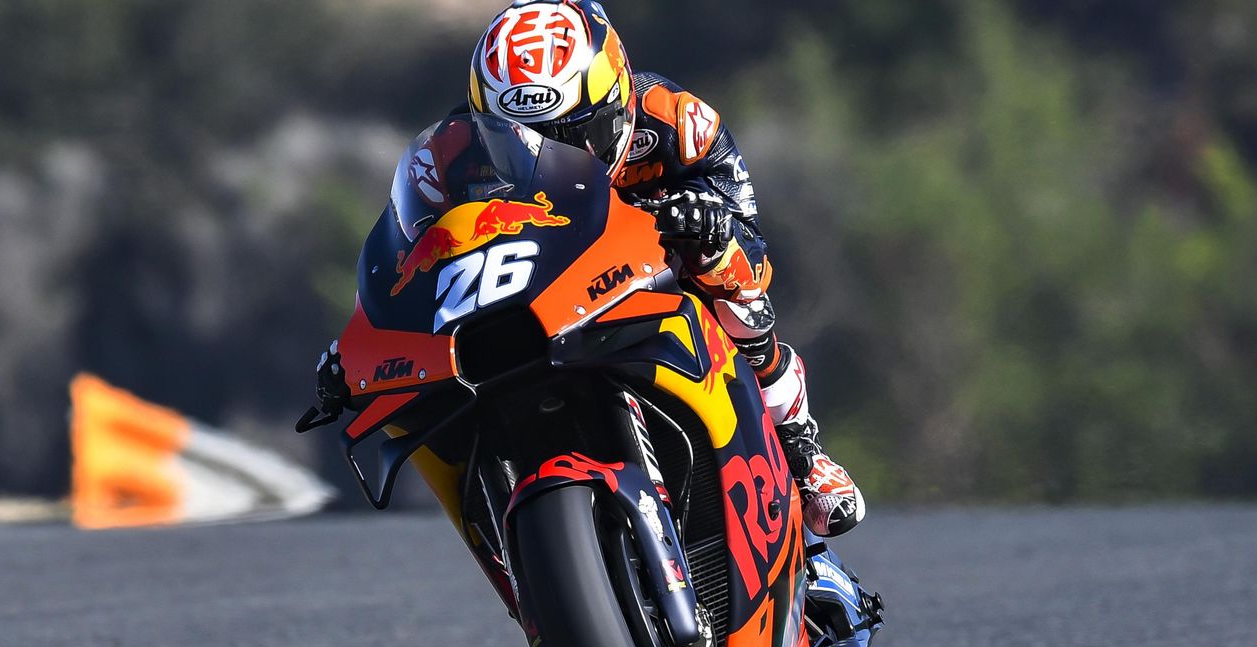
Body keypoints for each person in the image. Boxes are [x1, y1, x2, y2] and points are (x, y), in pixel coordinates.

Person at [319, 0, 864, 538]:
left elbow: (750, 238)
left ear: (617, 97)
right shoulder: (454, 155)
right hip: (540, 283)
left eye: (572, 133)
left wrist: (708, 223)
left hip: (653, 259)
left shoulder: (679, 121)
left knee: (734, 282)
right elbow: (412, 248)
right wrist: (365, 339)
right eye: (523, 139)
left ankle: (800, 451)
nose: (552, 150)